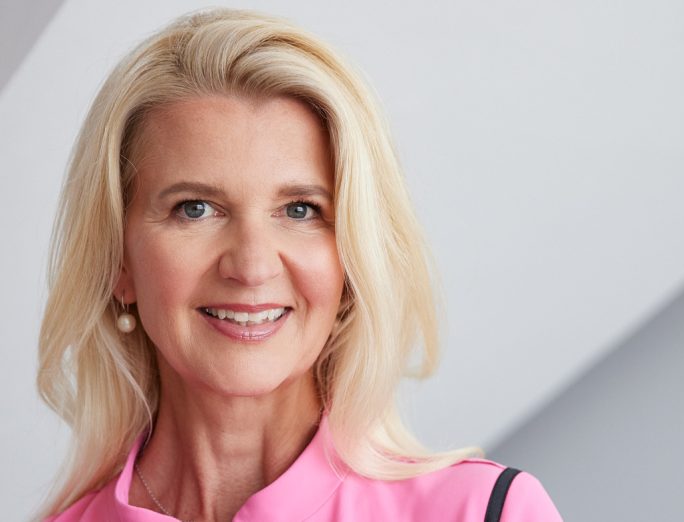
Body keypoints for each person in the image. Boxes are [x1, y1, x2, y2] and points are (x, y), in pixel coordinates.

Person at [37, 8, 562, 522]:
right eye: (194, 208)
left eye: (300, 210)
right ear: (118, 259)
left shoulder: (487, 512)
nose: (252, 266)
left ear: (352, 260)